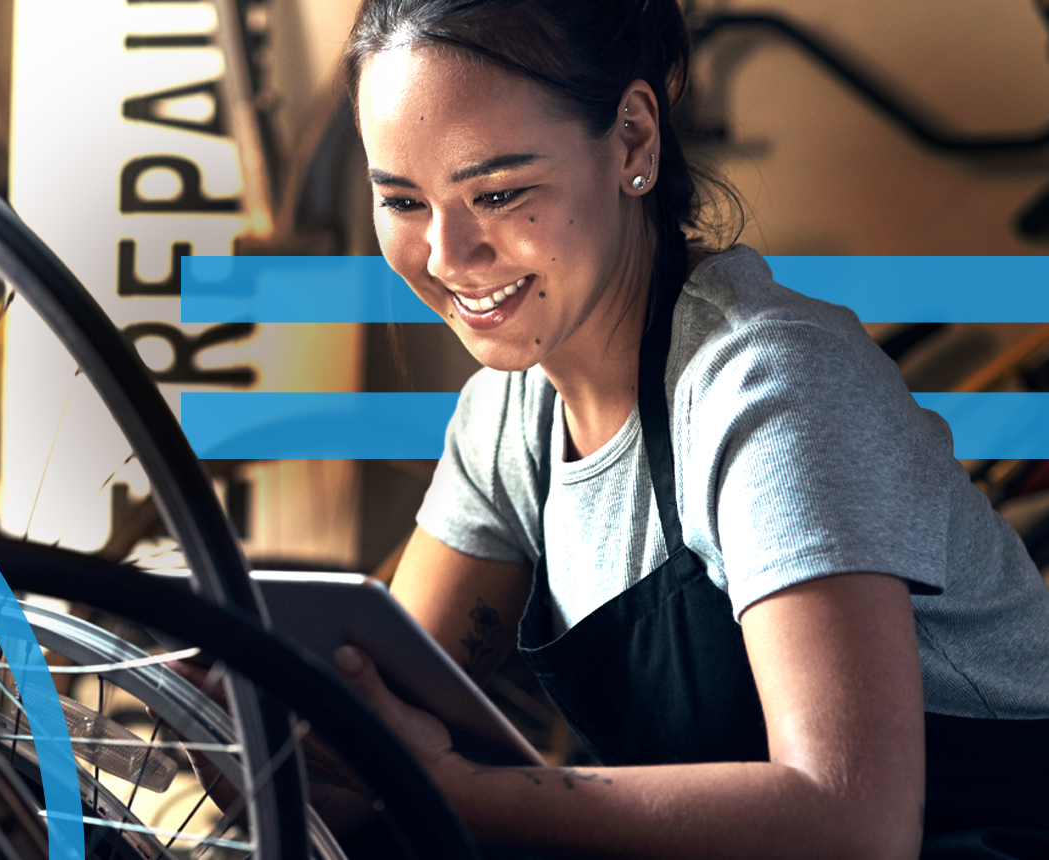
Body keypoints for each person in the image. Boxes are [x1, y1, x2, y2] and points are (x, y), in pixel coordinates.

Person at [327, 0, 1049, 857]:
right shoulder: (510, 417)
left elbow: (855, 825)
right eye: (404, 201)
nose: (447, 256)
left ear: (632, 140)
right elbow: (369, 721)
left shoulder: (768, 383)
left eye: (498, 192)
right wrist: (259, 740)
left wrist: (462, 793)